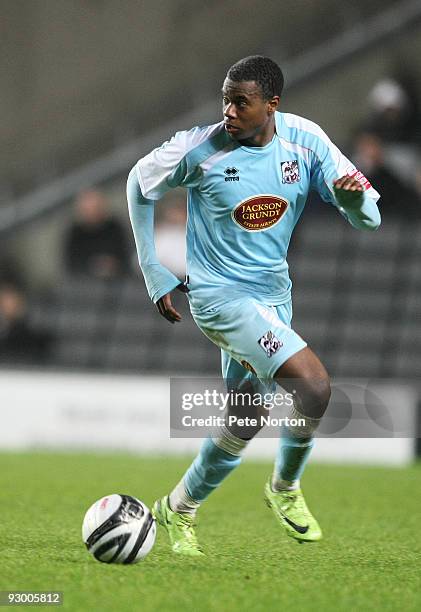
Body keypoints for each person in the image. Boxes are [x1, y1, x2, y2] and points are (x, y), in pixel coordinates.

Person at [127, 56, 381, 556]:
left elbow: (368, 216)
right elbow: (139, 182)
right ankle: (284, 489)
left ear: (272, 104)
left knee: (245, 415)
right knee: (314, 386)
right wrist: (153, 267)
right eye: (225, 98)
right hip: (218, 297)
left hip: (273, 296)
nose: (229, 110)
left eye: (241, 101)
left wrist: (352, 203)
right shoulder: (199, 149)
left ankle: (177, 508)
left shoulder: (305, 140)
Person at [64, 189, 130, 280]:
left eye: (96, 208)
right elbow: (71, 265)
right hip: (85, 285)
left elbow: (126, 256)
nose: (92, 214)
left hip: (116, 282)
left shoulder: (115, 228)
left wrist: (111, 264)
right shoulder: (75, 233)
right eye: (88, 210)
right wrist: (93, 266)